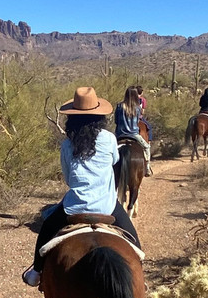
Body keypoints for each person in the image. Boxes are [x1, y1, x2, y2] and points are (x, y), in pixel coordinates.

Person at [22, 87, 141, 287]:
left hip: (74, 207)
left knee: (47, 228)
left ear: (72, 118)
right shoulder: (109, 139)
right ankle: (139, 277)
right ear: (99, 116)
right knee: (134, 242)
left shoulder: (68, 145)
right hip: (107, 205)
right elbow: (114, 161)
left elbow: (69, 179)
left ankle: (36, 271)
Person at [114, 86, 152, 176]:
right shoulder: (137, 108)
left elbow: (116, 121)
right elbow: (138, 122)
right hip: (134, 135)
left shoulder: (119, 106)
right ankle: (147, 168)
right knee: (147, 147)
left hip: (120, 135)